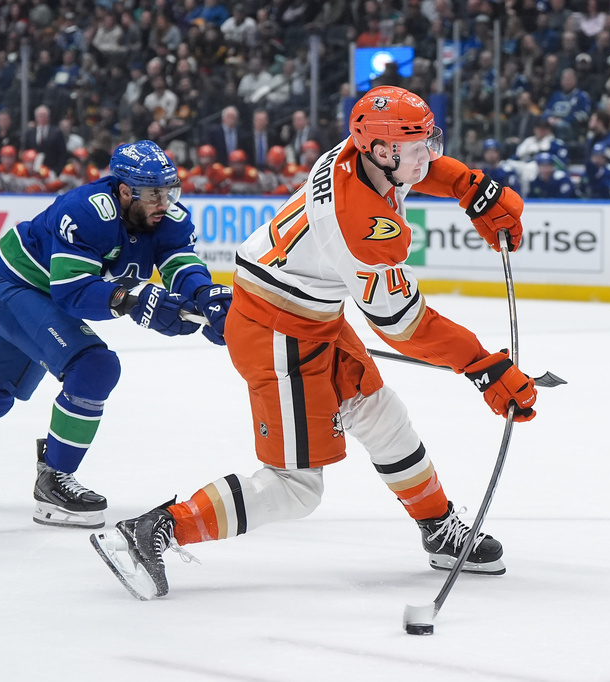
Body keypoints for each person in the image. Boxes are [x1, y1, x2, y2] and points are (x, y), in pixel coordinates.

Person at [90, 86, 538, 601]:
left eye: (427, 140)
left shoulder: (356, 153)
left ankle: (437, 527)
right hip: (277, 331)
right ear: (382, 150)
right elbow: (402, 325)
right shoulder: (362, 226)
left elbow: (421, 170)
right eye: (416, 146)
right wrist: (482, 365)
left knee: (379, 413)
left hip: (307, 312)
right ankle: (154, 529)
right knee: (296, 485)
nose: (428, 154)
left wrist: (468, 185)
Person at [0, 140, 233, 530]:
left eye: (170, 190)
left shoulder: (167, 217)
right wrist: (130, 300)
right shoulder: (86, 211)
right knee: (95, 367)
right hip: (18, 288)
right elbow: (71, 293)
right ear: (125, 191)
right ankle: (53, 482)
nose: (165, 202)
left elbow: (180, 263)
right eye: (154, 193)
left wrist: (204, 294)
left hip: (40, 296)